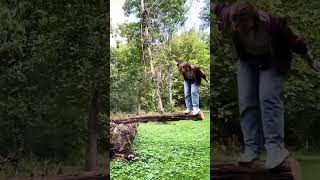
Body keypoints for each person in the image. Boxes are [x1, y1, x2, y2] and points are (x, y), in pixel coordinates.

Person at [213, 2, 320, 169]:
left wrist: (311, 62)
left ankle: (276, 149)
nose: (239, 29)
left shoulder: (275, 25)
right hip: (248, 60)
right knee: (247, 101)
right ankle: (251, 149)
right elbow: (216, 5)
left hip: (273, 60)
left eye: (243, 26)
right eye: (236, 26)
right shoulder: (228, 15)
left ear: (253, 20)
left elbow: (297, 44)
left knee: (268, 99)